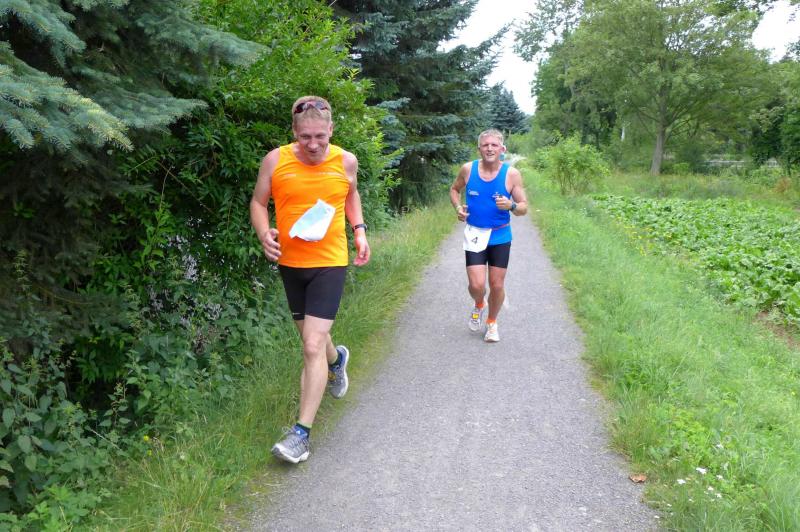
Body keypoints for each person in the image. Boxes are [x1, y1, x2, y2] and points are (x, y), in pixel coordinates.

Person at [250, 95, 370, 463]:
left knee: (311, 346)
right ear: (294, 132)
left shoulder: (346, 161)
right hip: (291, 263)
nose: (313, 144)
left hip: (329, 262)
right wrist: (264, 233)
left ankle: (300, 435)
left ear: (331, 130)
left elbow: (351, 195)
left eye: (320, 136)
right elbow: (258, 203)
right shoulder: (276, 160)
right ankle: (337, 361)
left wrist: (359, 231)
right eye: (305, 137)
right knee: (312, 341)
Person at [449, 129, 528, 343]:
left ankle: (492, 322)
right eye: (485, 145)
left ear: (502, 149)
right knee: (476, 286)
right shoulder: (468, 169)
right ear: (479, 149)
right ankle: (479, 303)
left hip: (499, 235)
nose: (490, 149)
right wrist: (458, 208)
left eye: (494, 145)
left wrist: (511, 205)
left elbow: (523, 207)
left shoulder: (511, 174)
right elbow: (454, 190)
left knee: (497, 285)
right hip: (475, 233)